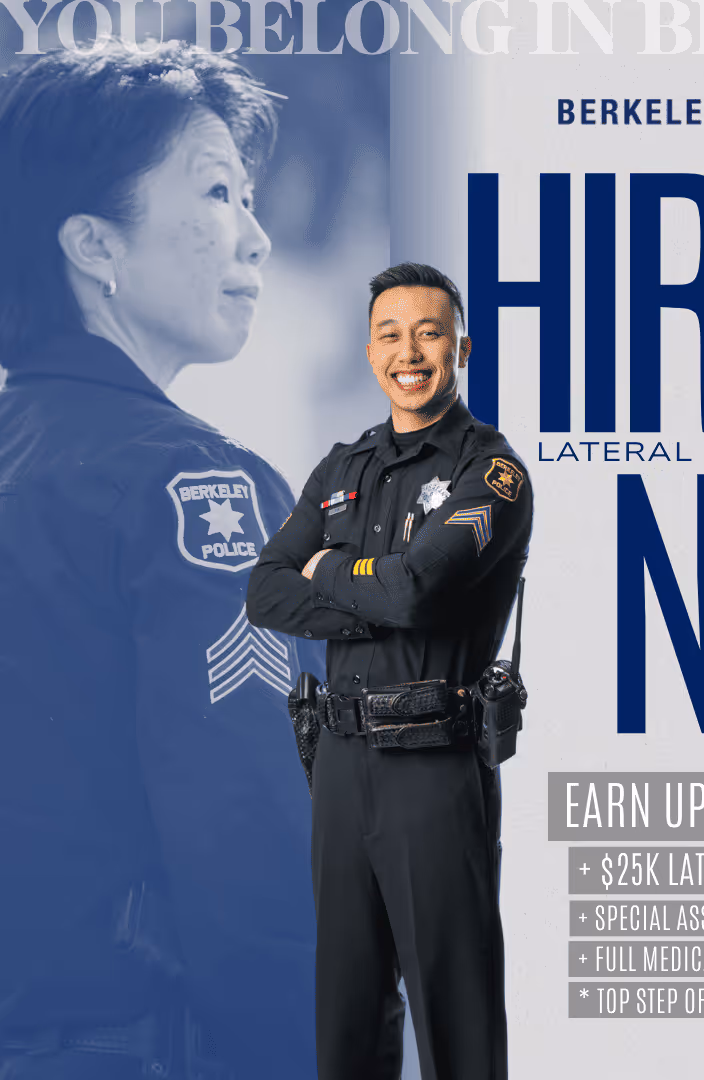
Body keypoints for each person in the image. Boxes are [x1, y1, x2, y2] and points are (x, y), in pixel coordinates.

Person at [0, 43, 319, 1079]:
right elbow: (254, 837)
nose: (256, 237)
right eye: (219, 192)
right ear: (95, 243)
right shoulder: (188, 488)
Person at [246, 262, 532, 1080]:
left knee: (456, 1028)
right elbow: (266, 592)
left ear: (462, 348)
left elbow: (418, 590)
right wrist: (376, 584)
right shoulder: (342, 469)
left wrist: (329, 571)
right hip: (337, 765)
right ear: (372, 351)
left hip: (433, 768)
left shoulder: (493, 475)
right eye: (390, 334)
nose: (410, 351)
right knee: (346, 1026)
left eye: (430, 333)